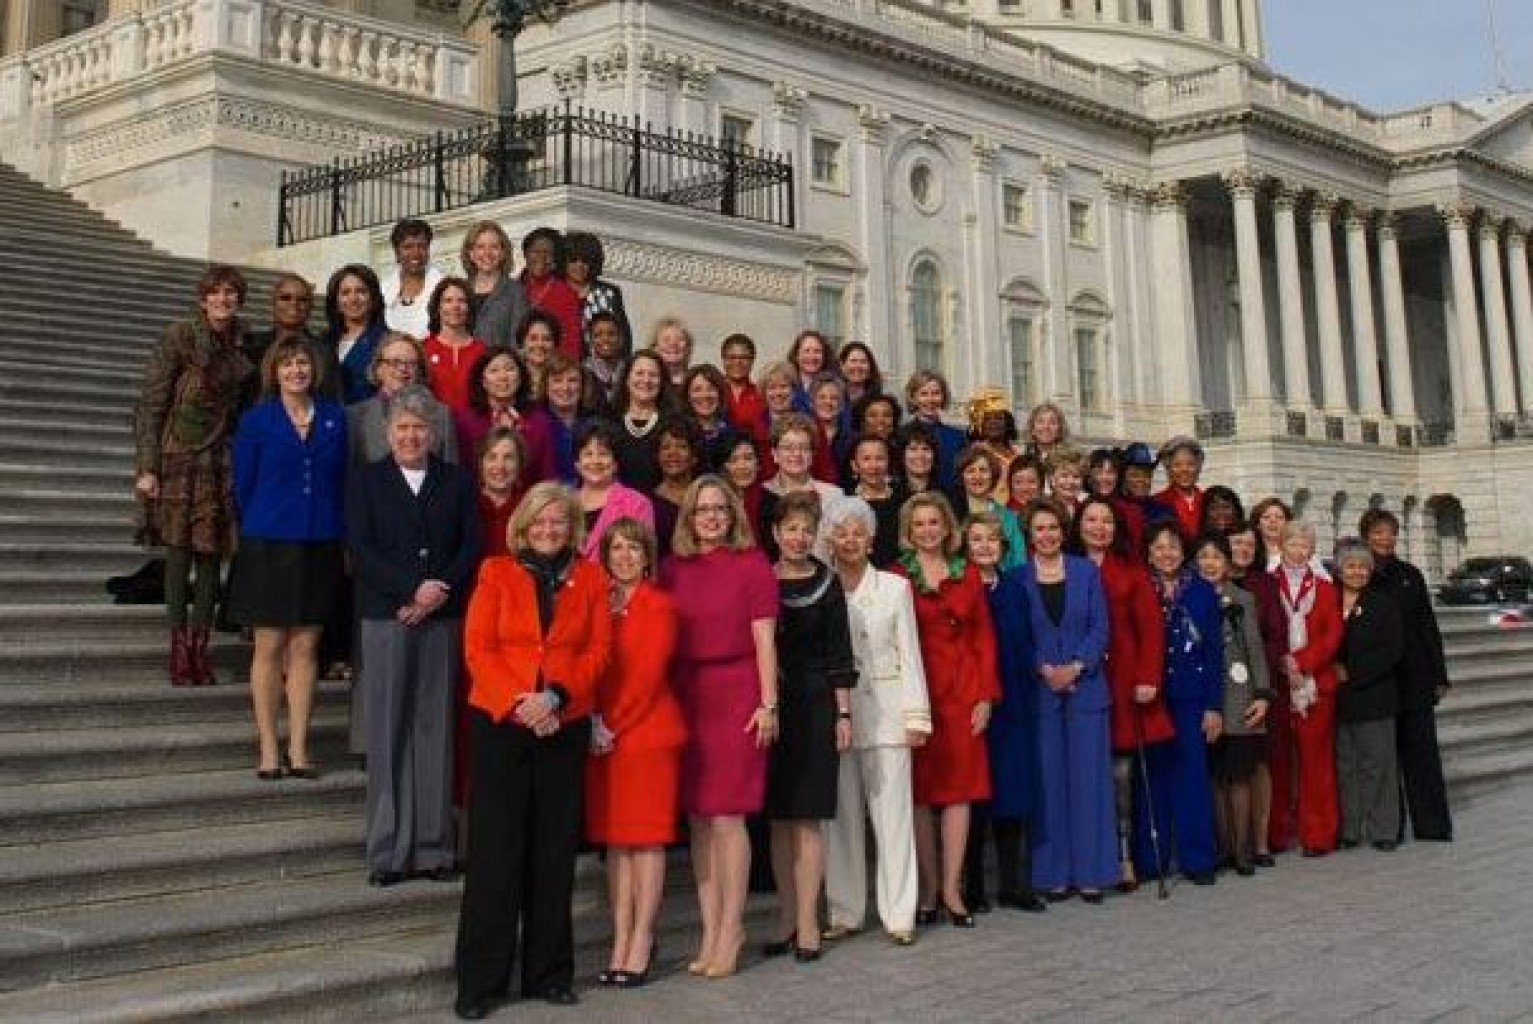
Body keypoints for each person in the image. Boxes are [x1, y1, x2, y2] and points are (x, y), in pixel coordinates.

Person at [454, 483, 609, 1015]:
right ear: (523, 525)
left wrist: (557, 698)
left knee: (553, 852)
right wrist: (521, 704)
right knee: (495, 854)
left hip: (561, 724)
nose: (549, 531)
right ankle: (480, 983)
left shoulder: (589, 576)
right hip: (503, 722)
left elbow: (597, 650)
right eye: (540, 522)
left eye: (559, 523)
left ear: (572, 527)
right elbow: (479, 648)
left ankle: (548, 974)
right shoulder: (495, 572)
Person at [346, 387, 479, 888]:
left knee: (434, 731)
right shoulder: (367, 480)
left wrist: (437, 591)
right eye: (402, 427)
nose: (411, 436)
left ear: (433, 433)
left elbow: (470, 543)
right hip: (388, 616)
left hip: (442, 616)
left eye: (419, 428)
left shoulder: (455, 480)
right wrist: (409, 590)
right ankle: (387, 850)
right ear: (388, 433)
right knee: (388, 732)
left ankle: (432, 847)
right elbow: (360, 546)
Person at [660, 476, 779, 979]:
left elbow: (764, 641)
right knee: (700, 820)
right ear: (688, 518)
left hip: (737, 693)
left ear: (732, 515)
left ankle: (733, 927)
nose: (710, 517)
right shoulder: (672, 569)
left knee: (729, 819)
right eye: (701, 510)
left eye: (719, 510)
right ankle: (709, 930)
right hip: (688, 695)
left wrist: (768, 703)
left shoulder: (753, 566)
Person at [227, 338, 347, 779]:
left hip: (320, 541)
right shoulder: (256, 421)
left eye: (302, 363)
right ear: (273, 372)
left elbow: (341, 480)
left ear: (313, 371)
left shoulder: (335, 419)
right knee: (269, 646)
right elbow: (243, 485)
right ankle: (268, 748)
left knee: (305, 646)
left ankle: (298, 747)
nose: (296, 370)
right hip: (269, 541)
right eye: (287, 364)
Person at [133, 265, 254, 687]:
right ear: (203, 300)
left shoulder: (243, 341)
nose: (223, 299)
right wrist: (147, 466)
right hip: (178, 456)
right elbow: (152, 402)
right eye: (216, 293)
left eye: (230, 293)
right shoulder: (180, 336)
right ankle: (178, 646)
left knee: (210, 555)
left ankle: (201, 648)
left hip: (220, 460)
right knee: (179, 553)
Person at [822, 498, 931, 947]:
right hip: (837, 718)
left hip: (888, 714)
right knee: (841, 818)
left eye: (858, 532)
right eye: (841, 532)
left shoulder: (894, 588)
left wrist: (916, 715)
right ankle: (845, 910)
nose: (850, 540)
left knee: (894, 817)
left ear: (870, 539)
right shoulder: (822, 587)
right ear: (829, 539)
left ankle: (900, 912)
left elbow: (911, 653)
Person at [587, 518, 685, 990]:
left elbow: (647, 675)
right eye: (616, 549)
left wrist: (610, 724)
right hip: (602, 738)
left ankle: (643, 939)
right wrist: (591, 719)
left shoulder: (659, 605)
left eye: (633, 549)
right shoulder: (598, 603)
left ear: (648, 557)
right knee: (616, 844)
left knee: (645, 842)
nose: (625, 557)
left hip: (644, 736)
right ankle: (619, 938)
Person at [893, 492, 999, 927]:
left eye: (934, 522)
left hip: (962, 691)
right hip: (918, 697)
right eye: (919, 524)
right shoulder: (897, 576)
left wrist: (986, 697)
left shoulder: (968, 574)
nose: (928, 531)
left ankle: (953, 889)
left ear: (947, 527)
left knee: (959, 794)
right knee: (920, 795)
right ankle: (927, 889)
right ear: (908, 531)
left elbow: (984, 639)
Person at [763, 493, 857, 963]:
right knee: (779, 818)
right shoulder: (761, 581)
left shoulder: (828, 583)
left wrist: (843, 714)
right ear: (776, 534)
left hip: (818, 704)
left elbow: (840, 654)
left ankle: (808, 922)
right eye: (790, 529)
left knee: (808, 817)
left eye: (805, 529)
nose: (798, 537)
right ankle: (785, 916)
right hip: (774, 708)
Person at [1070, 495, 1171, 892]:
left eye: (1106, 521)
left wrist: (1149, 677)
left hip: (1125, 680)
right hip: (1083, 679)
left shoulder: (1131, 572)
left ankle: (1125, 855)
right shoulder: (1068, 568)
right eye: (1091, 520)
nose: (1099, 528)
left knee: (1121, 776)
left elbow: (1151, 630)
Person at [1017, 499, 1114, 902]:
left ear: (1063, 531)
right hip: (1041, 694)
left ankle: (1091, 872)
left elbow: (1099, 627)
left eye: (1053, 528)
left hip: (1086, 689)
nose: (1047, 536)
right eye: (1039, 529)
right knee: (1049, 786)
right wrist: (1045, 670)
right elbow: (1018, 634)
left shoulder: (1085, 572)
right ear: (1029, 535)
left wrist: (1075, 667)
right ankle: (1053, 873)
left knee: (1090, 785)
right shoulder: (1017, 578)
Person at [962, 512, 1045, 915]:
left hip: (1014, 702)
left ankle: (1014, 882)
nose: (984, 547)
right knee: (976, 799)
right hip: (974, 703)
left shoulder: (1014, 589)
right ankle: (973, 885)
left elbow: (1028, 640)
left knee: (1014, 794)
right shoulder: (960, 587)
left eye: (992, 540)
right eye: (976, 540)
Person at [1359, 508, 1452, 842]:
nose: (1385, 539)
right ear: (1366, 536)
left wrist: (1439, 675)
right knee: (1384, 757)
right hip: (1378, 679)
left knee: (1422, 754)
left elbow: (1428, 625)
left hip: (1414, 675)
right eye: (1378, 533)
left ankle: (1432, 824)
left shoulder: (1409, 574)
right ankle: (1389, 827)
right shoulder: (1359, 574)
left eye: (1390, 532)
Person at [1138, 521, 1224, 885]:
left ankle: (1198, 857)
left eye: (1173, 547)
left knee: (1192, 777)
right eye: (1159, 548)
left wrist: (1213, 705)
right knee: (1153, 779)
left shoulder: (1201, 592)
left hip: (1191, 694)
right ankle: (1151, 859)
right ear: (1148, 553)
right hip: (1153, 696)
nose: (1166, 554)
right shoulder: (1142, 588)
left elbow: (1214, 651)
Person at [1192, 533, 1273, 876]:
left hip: (1238, 697)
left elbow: (1254, 648)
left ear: (1228, 563)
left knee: (1239, 776)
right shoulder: (1188, 596)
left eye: (1217, 557)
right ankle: (1222, 845)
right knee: (1214, 777)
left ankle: (1243, 848)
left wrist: (1263, 693)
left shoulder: (1242, 599)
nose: (1211, 563)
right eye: (1204, 557)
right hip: (1202, 698)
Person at [1275, 520, 1343, 856]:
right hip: (1277, 684)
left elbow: (1332, 636)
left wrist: (1301, 662)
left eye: (1305, 545)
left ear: (1312, 550)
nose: (1298, 551)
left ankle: (1319, 833)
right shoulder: (1269, 585)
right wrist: (1282, 663)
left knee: (1317, 763)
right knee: (1280, 762)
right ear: (1281, 546)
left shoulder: (1326, 589)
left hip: (1315, 685)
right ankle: (1278, 832)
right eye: (1292, 544)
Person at [1334, 540, 1404, 852]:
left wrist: (1353, 673)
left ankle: (1384, 828)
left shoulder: (1382, 603)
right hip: (1337, 697)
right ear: (1339, 569)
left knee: (1379, 765)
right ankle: (1350, 827)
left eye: (1363, 566)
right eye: (1350, 566)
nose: (1357, 572)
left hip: (1374, 694)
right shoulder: (1327, 599)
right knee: (1346, 764)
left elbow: (1393, 649)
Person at [1228, 521, 1288, 867]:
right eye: (1237, 543)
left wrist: (1264, 678)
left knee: (1260, 763)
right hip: (1226, 684)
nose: (1244, 550)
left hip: (1260, 682)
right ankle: (1235, 843)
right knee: (1231, 769)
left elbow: (1276, 632)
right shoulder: (1212, 582)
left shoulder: (1264, 583)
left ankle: (1261, 841)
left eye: (1250, 544)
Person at [347, 334, 457, 468]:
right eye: (394, 362)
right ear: (378, 369)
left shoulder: (442, 415)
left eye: (411, 363)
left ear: (420, 371)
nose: (402, 369)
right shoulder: (354, 416)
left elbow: (450, 476)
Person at [453, 347, 556, 485]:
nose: (503, 376)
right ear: (483, 381)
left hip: (530, 503)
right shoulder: (464, 422)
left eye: (509, 369)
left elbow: (547, 477)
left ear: (520, 378)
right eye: (494, 370)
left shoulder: (540, 422)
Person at [242, 273, 339, 404]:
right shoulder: (251, 346)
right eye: (285, 298)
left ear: (311, 306)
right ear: (273, 302)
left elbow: (333, 400)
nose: (294, 304)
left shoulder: (325, 352)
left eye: (302, 299)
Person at [758, 413, 841, 561]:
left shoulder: (833, 496)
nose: (796, 454)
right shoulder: (760, 494)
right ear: (774, 454)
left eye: (804, 448)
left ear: (813, 454)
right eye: (788, 448)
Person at [574, 420, 654, 561]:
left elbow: (643, 560)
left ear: (616, 463)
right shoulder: (564, 503)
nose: (596, 461)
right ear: (577, 464)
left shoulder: (638, 504)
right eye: (588, 454)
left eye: (603, 454)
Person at [322, 263, 389, 405]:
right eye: (345, 292)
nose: (353, 299)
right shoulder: (323, 341)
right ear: (336, 302)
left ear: (373, 299)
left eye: (361, 291)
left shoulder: (388, 341)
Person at [951, 445, 1025, 571]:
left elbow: (1018, 562)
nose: (977, 476)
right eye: (970, 471)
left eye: (983, 470)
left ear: (993, 475)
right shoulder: (949, 514)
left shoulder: (1009, 518)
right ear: (961, 476)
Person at [422, 277, 487, 415]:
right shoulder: (422, 349)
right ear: (437, 307)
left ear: (469, 307)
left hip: (475, 430)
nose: (455, 306)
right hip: (434, 429)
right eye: (448, 300)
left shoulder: (483, 351)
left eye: (461, 301)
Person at [461, 220, 528, 350]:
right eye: (480, 247)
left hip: (499, 367)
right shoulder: (459, 290)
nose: (487, 253)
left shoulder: (515, 292)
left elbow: (518, 342)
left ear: (503, 253)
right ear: (471, 254)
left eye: (494, 247)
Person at [610, 350, 671, 494]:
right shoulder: (609, 421)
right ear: (627, 379)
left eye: (653, 375)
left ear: (662, 382)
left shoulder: (673, 424)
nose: (646, 380)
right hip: (617, 507)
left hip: (662, 506)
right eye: (639, 373)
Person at [519, 227, 583, 360]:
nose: (541, 258)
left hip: (552, 369)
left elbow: (571, 344)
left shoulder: (567, 295)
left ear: (555, 259)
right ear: (525, 254)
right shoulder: (511, 289)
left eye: (548, 253)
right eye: (535, 251)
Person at [565, 231, 631, 358]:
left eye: (585, 260)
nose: (579, 265)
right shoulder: (555, 290)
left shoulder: (610, 292)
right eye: (573, 260)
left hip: (603, 367)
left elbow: (624, 336)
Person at [845, 433, 906, 569]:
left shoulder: (905, 498)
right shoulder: (845, 501)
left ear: (888, 462)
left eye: (880, 458)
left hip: (900, 575)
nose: (873, 465)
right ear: (854, 465)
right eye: (866, 459)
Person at [380, 218, 443, 340]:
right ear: (397, 252)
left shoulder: (443, 287)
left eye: (421, 246)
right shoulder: (382, 291)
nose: (415, 253)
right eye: (408, 247)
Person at [904, 370, 965, 492]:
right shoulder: (901, 434)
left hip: (951, 500)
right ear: (913, 398)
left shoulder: (957, 437)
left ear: (943, 397)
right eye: (924, 394)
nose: (930, 399)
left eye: (936, 393)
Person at [650, 416, 703, 554]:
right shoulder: (647, 503)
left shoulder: (706, 497)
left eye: (682, 446)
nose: (672, 453)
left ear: (695, 456)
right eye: (665, 447)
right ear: (657, 456)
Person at [1113, 441, 1175, 555]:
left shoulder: (1164, 511)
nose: (1142, 480)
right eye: (1134, 475)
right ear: (1123, 477)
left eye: (1146, 475)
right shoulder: (1112, 509)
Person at [682, 364, 740, 473]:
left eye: (711, 388)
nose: (705, 395)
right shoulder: (679, 434)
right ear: (687, 396)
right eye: (697, 389)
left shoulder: (734, 435)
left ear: (721, 393)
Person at [967, 390, 1020, 502]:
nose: (994, 422)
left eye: (999, 418)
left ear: (1007, 422)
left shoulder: (1017, 451)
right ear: (978, 423)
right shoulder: (975, 452)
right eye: (987, 419)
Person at [1154, 436, 1206, 540]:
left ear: (1199, 467)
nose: (1184, 470)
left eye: (1190, 464)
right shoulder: (1157, 502)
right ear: (1168, 469)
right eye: (1177, 465)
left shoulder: (1208, 501)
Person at [808, 372, 853, 486]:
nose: (828, 402)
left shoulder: (853, 440)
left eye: (834, 398)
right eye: (821, 397)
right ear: (811, 403)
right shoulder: (803, 436)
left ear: (842, 404)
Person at [720, 332, 766, 435]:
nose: (738, 362)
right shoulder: (712, 392)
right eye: (732, 357)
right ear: (723, 359)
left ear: (753, 360)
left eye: (744, 357)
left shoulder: (762, 394)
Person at [721, 434, 764, 536]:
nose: (742, 466)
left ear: (758, 465)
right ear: (723, 468)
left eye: (748, 458)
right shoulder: (714, 502)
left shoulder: (771, 502)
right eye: (733, 460)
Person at [516, 309, 561, 404]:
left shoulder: (565, 376)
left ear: (555, 344)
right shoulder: (511, 377)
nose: (540, 344)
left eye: (546, 339)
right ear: (522, 342)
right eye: (533, 338)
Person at [584, 311, 627, 409]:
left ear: (620, 339)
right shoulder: (583, 371)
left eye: (611, 334)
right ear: (590, 340)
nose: (605, 339)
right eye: (598, 335)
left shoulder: (629, 370)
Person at [786, 329, 834, 412]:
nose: (812, 356)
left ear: (824, 356)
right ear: (796, 356)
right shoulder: (787, 385)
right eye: (806, 351)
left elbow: (844, 421)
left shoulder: (836, 386)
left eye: (817, 351)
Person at [896, 421, 941, 498]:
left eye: (926, 449)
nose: (920, 455)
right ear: (902, 455)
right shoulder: (890, 495)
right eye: (913, 449)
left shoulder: (946, 496)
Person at [651, 316, 694, 389]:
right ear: (655, 347)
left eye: (680, 339)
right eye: (666, 340)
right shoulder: (647, 382)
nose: (673, 344)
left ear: (688, 348)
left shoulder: (695, 382)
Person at [1045, 445, 1086, 517]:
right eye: (1064, 476)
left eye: (1076, 476)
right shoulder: (1042, 509)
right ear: (1051, 479)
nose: (1071, 482)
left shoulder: (1086, 510)